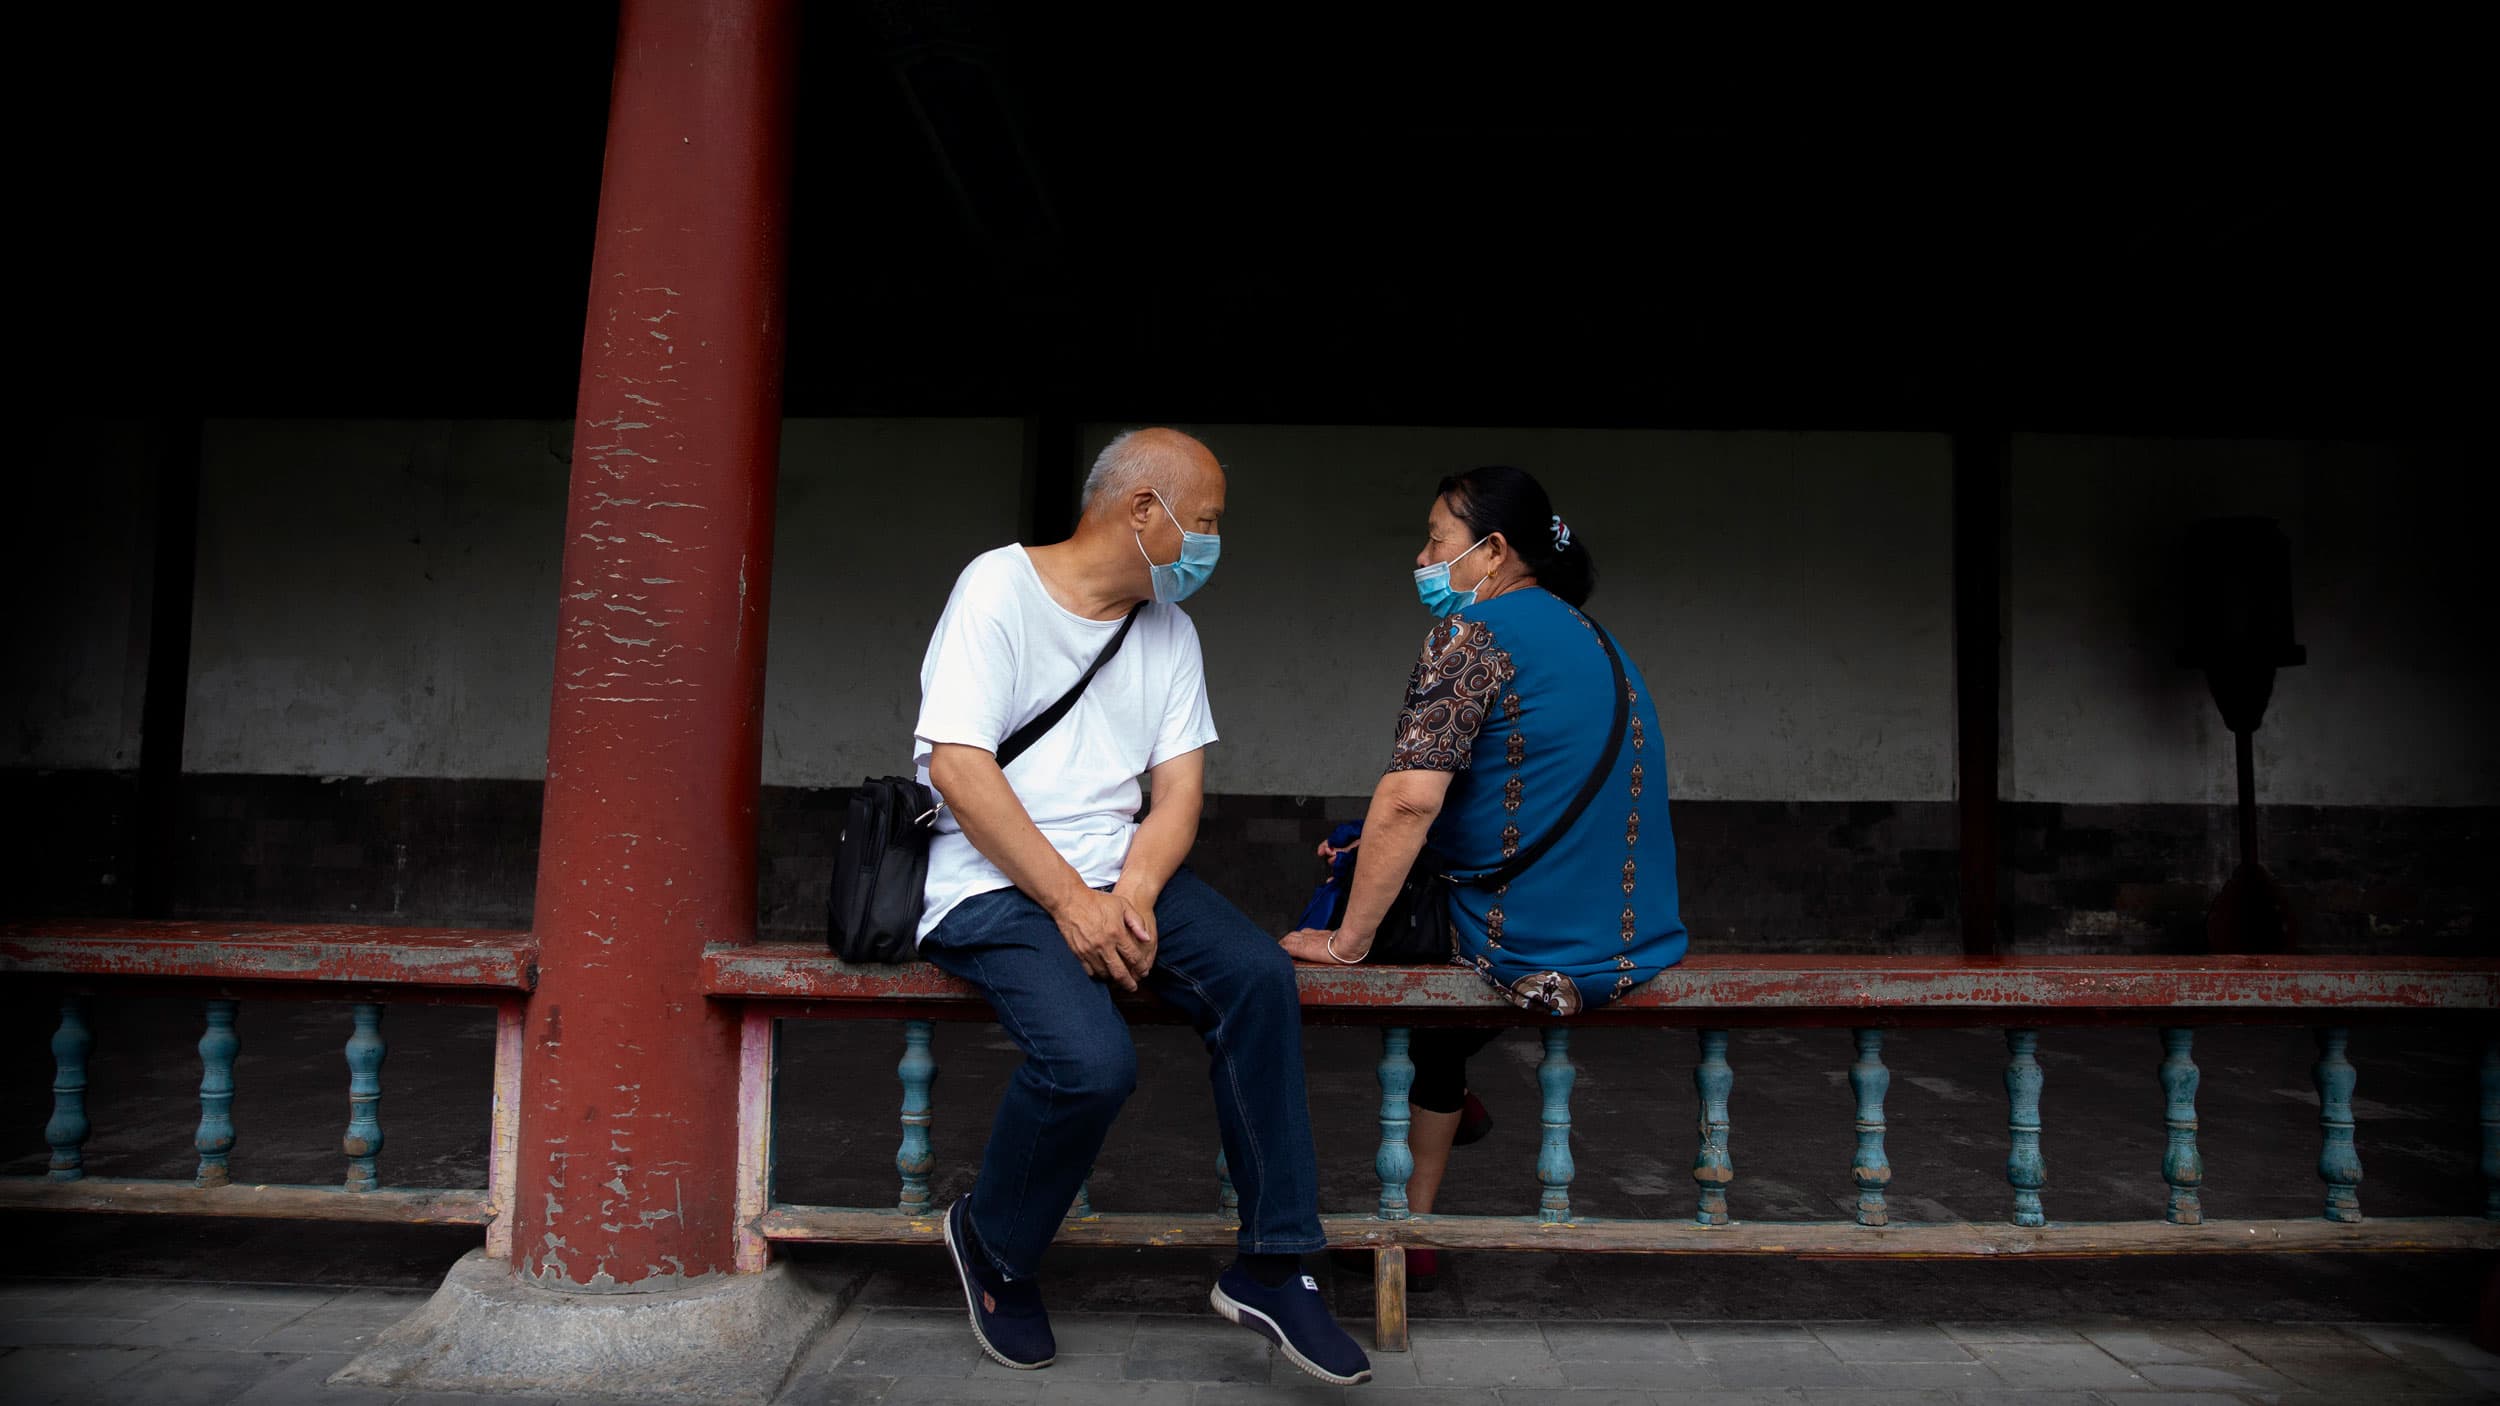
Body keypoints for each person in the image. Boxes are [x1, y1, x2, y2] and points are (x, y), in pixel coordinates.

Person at [912, 428, 1370, 1385]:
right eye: (1203, 523)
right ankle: (993, 1246)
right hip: (997, 883)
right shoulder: (997, 588)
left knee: (1253, 976)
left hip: (1118, 877)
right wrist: (1070, 899)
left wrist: (1134, 891)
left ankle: (1276, 1264)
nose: (1210, 545)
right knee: (1089, 1063)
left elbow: (1179, 796)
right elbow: (959, 764)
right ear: (1141, 511)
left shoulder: (1171, 631)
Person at [1280, 465, 1688, 1286]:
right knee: (1379, 876)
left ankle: (1409, 1214)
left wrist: (1348, 941)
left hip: (1529, 936)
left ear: (1492, 551)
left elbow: (1409, 802)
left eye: (1437, 540)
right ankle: (1420, 1212)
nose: (1425, 557)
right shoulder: (1595, 637)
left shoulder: (1471, 636)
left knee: (1343, 933)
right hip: (1629, 931)